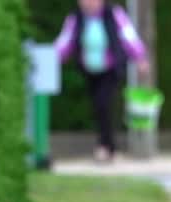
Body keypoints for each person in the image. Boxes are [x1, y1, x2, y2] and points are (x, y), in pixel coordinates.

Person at [55, 0, 151, 162]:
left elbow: (129, 37)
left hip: (110, 69)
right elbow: (65, 41)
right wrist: (53, 58)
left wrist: (140, 57)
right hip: (89, 70)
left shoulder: (114, 14)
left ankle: (106, 146)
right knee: (98, 107)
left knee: (103, 103)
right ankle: (107, 145)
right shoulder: (76, 18)